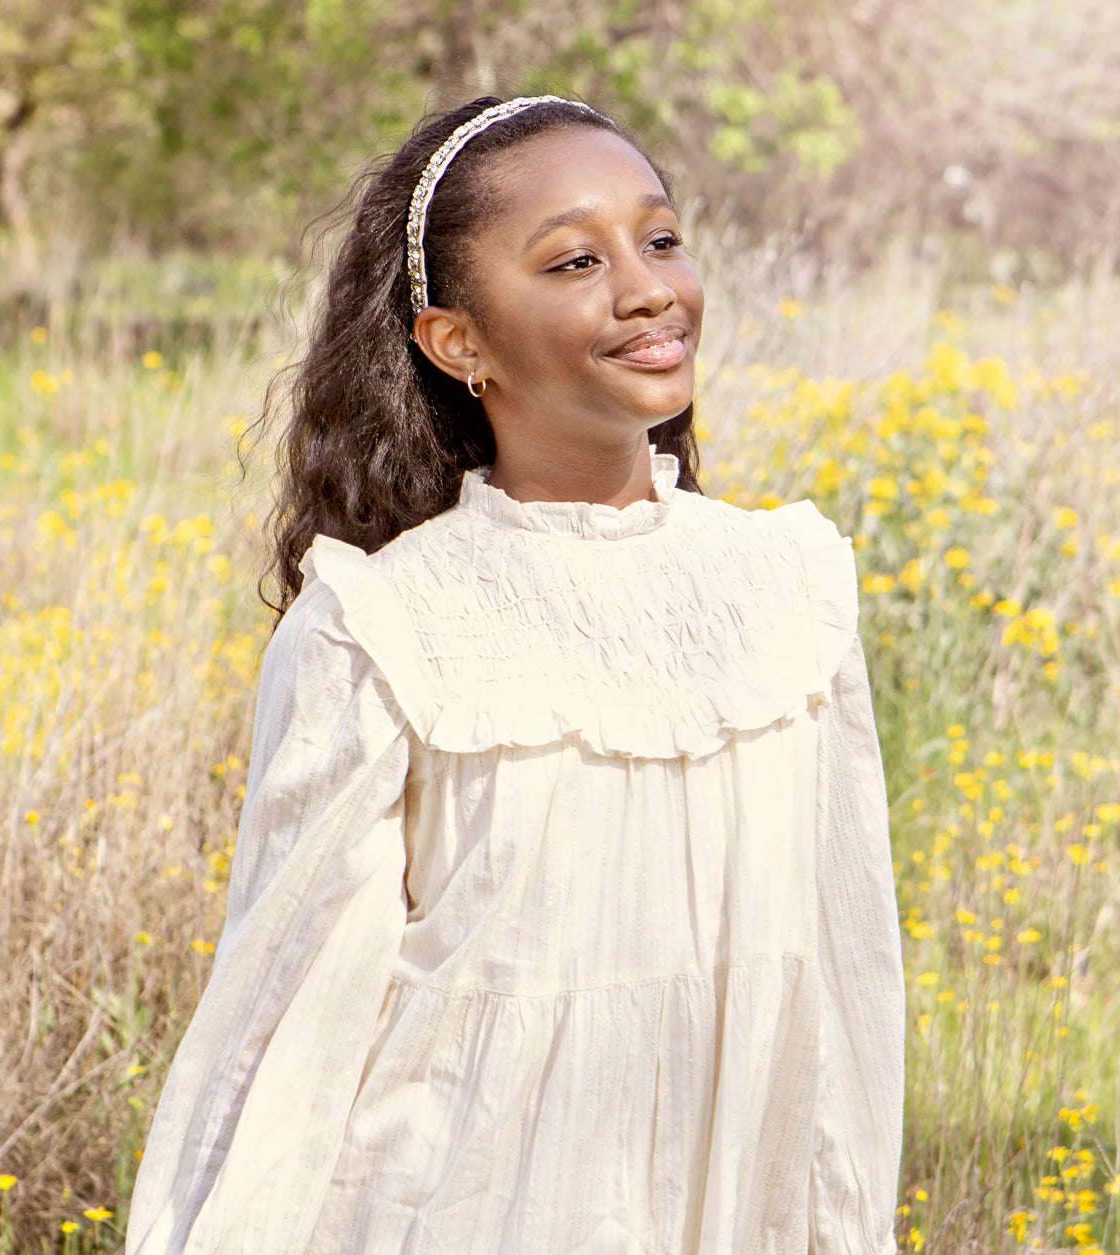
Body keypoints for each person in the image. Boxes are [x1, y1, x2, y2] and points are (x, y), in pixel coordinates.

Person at [124, 94, 905, 1255]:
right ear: (459, 342)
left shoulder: (790, 593)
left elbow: (844, 989)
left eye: (662, 238)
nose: (648, 288)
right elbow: (290, 1031)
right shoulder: (385, 626)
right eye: (577, 259)